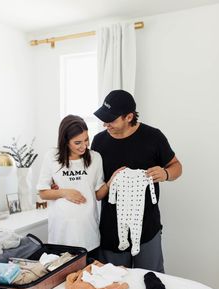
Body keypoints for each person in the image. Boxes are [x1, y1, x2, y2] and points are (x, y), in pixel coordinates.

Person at [91, 89, 182, 272]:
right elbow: (91, 180)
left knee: (151, 282)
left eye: (111, 120)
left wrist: (165, 173)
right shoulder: (98, 142)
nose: (105, 124)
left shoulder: (153, 137)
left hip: (148, 228)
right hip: (111, 229)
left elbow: (177, 166)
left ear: (129, 117)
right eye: (104, 119)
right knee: (113, 285)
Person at [37, 115, 122, 256]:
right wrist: (65, 192)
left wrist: (110, 182)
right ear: (65, 141)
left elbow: (98, 195)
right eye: (78, 142)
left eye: (86, 140)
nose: (84, 146)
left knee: (89, 277)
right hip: (61, 236)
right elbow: (43, 192)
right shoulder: (51, 157)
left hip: (88, 235)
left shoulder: (95, 158)